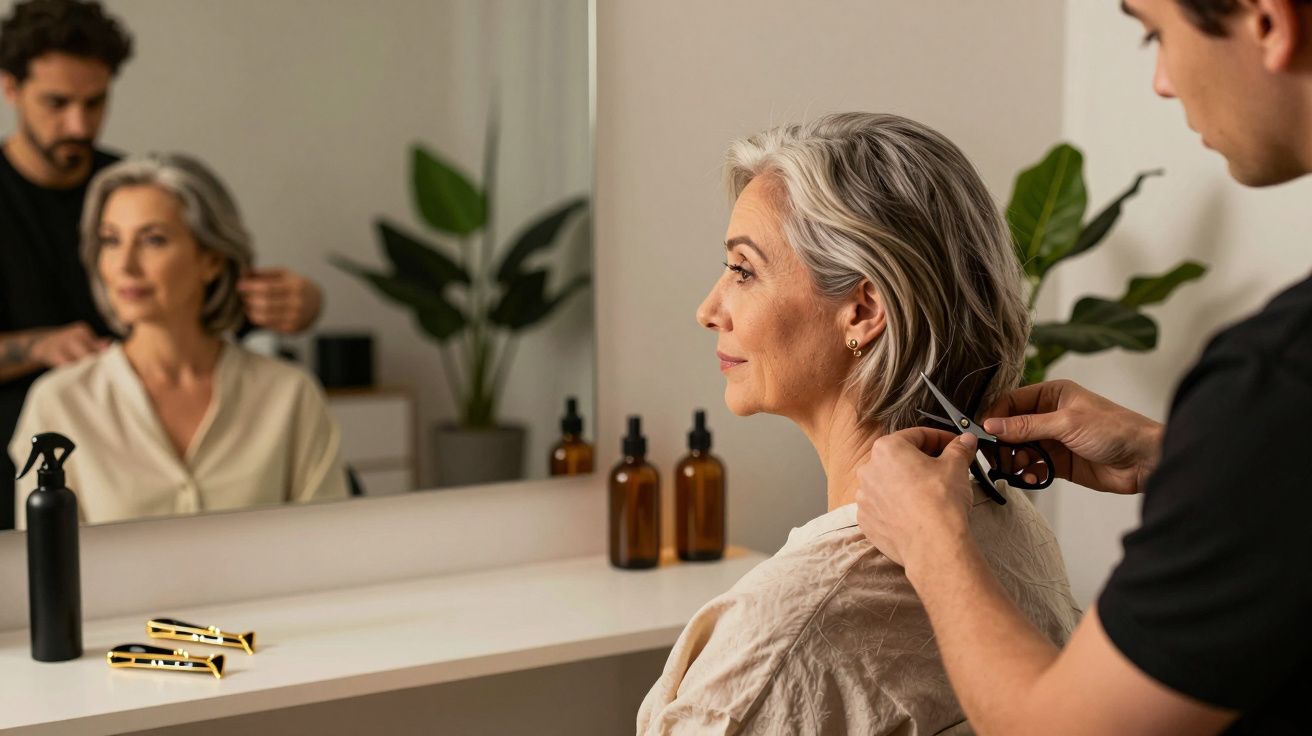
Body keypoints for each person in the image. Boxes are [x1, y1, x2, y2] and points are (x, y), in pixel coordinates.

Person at [855, 1, 1312, 734]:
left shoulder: (1278, 386)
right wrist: (1174, 458)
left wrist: (931, 545)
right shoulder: (1276, 417)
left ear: (1267, 20)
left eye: (1155, 33)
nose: (1162, 81)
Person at [636, 113, 1081, 735]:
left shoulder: (781, 637)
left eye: (744, 271)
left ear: (864, 309)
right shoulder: (1014, 531)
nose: (709, 309)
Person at [0, 0, 323, 529]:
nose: (79, 124)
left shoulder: (130, 186)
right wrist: (36, 346)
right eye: (57, 103)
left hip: (153, 451)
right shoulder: (58, 400)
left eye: (95, 102)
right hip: (52, 457)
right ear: (10, 89)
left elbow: (211, 303)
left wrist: (303, 304)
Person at [8, 153, 347, 528]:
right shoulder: (60, 405)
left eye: (153, 240)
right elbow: (45, 571)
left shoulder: (290, 396)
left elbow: (327, 548)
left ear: (212, 260)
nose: (125, 265)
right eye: (111, 241)